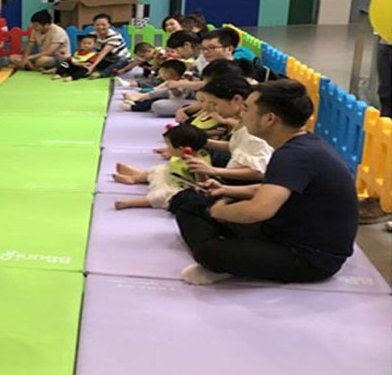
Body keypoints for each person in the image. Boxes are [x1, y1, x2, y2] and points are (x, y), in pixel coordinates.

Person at [170, 80, 358, 285]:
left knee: (209, 251)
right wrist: (226, 190)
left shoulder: (294, 155)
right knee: (189, 203)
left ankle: (226, 261)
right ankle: (237, 255)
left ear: (269, 119)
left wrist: (217, 212)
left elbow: (257, 210)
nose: (242, 114)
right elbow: (271, 189)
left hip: (309, 256)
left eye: (247, 109)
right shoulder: (302, 144)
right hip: (282, 228)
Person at [181, 76, 273, 183]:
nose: (210, 108)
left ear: (237, 99)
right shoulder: (243, 121)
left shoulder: (253, 129)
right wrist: (202, 141)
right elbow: (237, 145)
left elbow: (260, 172)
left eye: (214, 104)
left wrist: (214, 171)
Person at [112, 124, 210, 210]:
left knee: (161, 195)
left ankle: (131, 203)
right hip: (171, 176)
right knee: (158, 169)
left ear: (181, 149)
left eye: (168, 146)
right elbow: (172, 162)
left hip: (178, 188)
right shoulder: (180, 155)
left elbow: (203, 184)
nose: (167, 148)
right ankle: (135, 178)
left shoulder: (197, 162)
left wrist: (199, 173)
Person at [82, 13, 131, 79]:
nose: (100, 27)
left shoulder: (115, 36)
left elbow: (103, 52)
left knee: (123, 60)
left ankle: (102, 73)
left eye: (103, 25)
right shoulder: (92, 35)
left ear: (109, 25)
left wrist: (92, 66)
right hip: (105, 60)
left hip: (118, 60)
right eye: (97, 25)